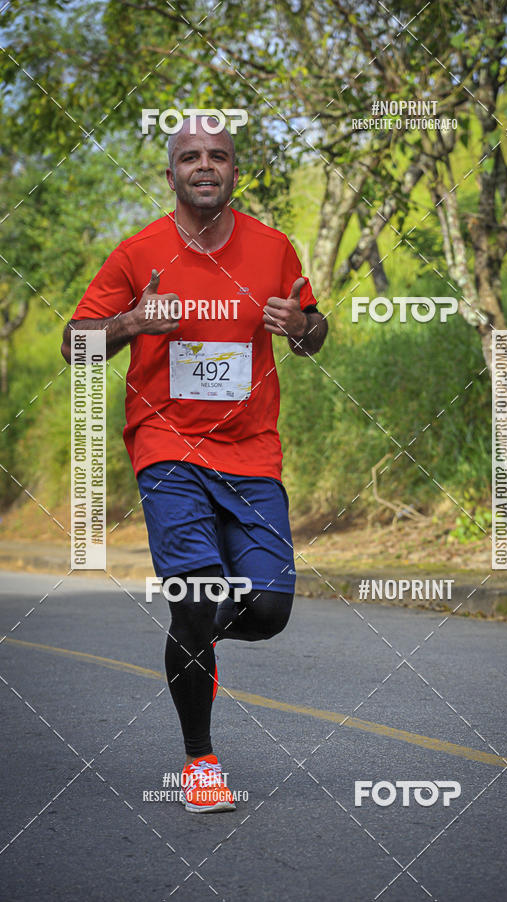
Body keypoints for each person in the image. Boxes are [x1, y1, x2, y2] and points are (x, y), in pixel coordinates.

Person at [61, 116, 328, 812]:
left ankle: (191, 631)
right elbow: (74, 348)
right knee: (200, 595)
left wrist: (303, 328)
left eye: (218, 155)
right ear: (171, 172)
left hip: (250, 451)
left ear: (235, 170)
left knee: (268, 611)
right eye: (190, 156)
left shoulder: (273, 248)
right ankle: (200, 761)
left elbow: (313, 327)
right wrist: (131, 323)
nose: (204, 165)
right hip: (167, 446)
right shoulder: (136, 253)